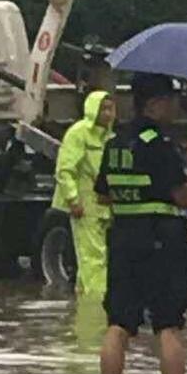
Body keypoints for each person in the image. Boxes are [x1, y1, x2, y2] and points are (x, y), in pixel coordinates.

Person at [95, 74, 187, 374]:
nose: (175, 108)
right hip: (161, 241)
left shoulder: (115, 143)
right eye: (171, 101)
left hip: (123, 238)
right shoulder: (159, 145)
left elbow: (102, 196)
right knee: (168, 325)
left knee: (118, 323)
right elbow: (184, 198)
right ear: (155, 104)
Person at [51, 90, 116, 298]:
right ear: (92, 110)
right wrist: (73, 199)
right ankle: (98, 303)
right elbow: (65, 170)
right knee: (93, 256)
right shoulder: (78, 133)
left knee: (97, 256)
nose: (107, 114)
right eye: (103, 109)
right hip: (84, 204)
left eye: (111, 109)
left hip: (105, 203)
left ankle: (83, 303)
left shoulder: (110, 137)